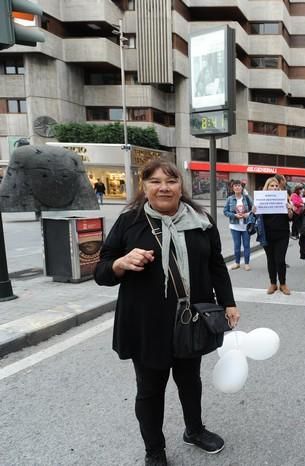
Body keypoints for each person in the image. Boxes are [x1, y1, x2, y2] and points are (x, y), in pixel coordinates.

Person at [95, 160, 240, 465]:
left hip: (192, 319)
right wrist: (120, 263)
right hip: (146, 323)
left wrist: (228, 302)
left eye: (171, 181)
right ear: (144, 186)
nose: (163, 187)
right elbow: (102, 270)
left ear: (180, 186)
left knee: (190, 380)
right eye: (155, 181)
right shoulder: (130, 222)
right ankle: (154, 450)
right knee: (150, 389)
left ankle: (194, 430)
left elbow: (216, 265)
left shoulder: (201, 220)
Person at [256, 177, 293, 295]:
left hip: (282, 233)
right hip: (267, 234)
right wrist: (254, 210)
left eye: (276, 186)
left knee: (280, 260)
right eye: (271, 186)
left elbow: (290, 218)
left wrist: (290, 210)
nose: (274, 188)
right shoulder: (261, 199)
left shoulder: (284, 198)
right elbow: (256, 217)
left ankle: (283, 284)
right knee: (270, 260)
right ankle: (273, 284)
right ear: (267, 187)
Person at [223, 180, 254, 271]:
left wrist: (247, 215)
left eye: (239, 186)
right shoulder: (229, 199)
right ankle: (237, 263)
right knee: (237, 245)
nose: (237, 187)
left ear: (242, 188)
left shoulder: (247, 198)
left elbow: (253, 209)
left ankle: (247, 263)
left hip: (246, 226)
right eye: (235, 186)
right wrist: (234, 215)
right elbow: (225, 211)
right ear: (232, 188)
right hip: (234, 226)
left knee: (246, 245)